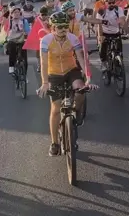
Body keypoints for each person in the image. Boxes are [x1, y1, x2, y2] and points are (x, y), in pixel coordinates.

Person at [37, 12, 95, 156]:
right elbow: (43, 63)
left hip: (71, 71)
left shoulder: (73, 38)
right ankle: (54, 143)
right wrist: (45, 83)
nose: (63, 29)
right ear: (52, 28)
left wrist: (88, 77)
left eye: (65, 26)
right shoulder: (45, 40)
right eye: (59, 27)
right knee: (56, 109)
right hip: (54, 74)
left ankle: (74, 112)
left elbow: (81, 58)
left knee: (81, 90)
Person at [96, 0, 126, 71]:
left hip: (116, 32)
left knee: (119, 50)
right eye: (109, 3)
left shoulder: (118, 9)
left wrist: (126, 30)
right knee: (102, 46)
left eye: (113, 2)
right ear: (105, 2)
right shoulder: (101, 10)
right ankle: (103, 62)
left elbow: (122, 20)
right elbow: (99, 24)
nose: (112, 4)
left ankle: (119, 63)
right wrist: (100, 36)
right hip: (105, 32)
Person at [6, 6, 30, 74]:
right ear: (11, 14)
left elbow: (28, 31)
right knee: (12, 50)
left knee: (24, 57)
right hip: (12, 40)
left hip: (21, 40)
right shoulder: (9, 22)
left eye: (18, 12)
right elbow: (5, 31)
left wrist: (27, 36)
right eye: (15, 12)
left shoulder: (23, 21)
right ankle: (11, 66)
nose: (16, 14)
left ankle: (24, 74)